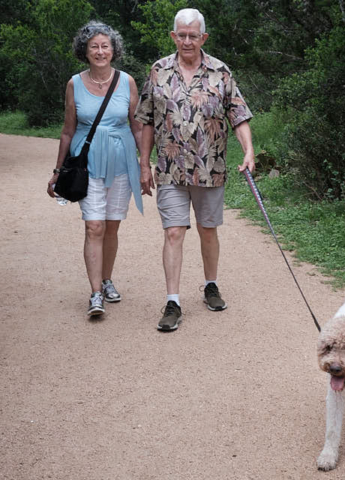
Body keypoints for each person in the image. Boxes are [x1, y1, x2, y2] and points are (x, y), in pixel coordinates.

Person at [135, 8, 255, 332]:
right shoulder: (158, 71)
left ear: (203, 37)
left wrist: (248, 150)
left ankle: (210, 284)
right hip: (170, 169)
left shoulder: (221, 72)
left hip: (210, 167)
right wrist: (144, 164)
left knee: (207, 229)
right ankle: (172, 301)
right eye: (181, 35)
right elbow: (145, 119)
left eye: (193, 35)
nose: (187, 41)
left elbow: (239, 114)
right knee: (174, 231)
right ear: (173, 36)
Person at [47, 21, 143, 316]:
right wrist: (57, 170)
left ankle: (106, 278)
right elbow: (67, 131)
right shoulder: (74, 84)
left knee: (112, 225)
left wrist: (146, 163)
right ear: (85, 52)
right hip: (87, 163)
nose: (100, 51)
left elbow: (138, 127)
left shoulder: (127, 82)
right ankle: (95, 293)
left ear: (113, 50)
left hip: (122, 161)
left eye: (105, 46)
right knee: (94, 224)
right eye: (94, 47)